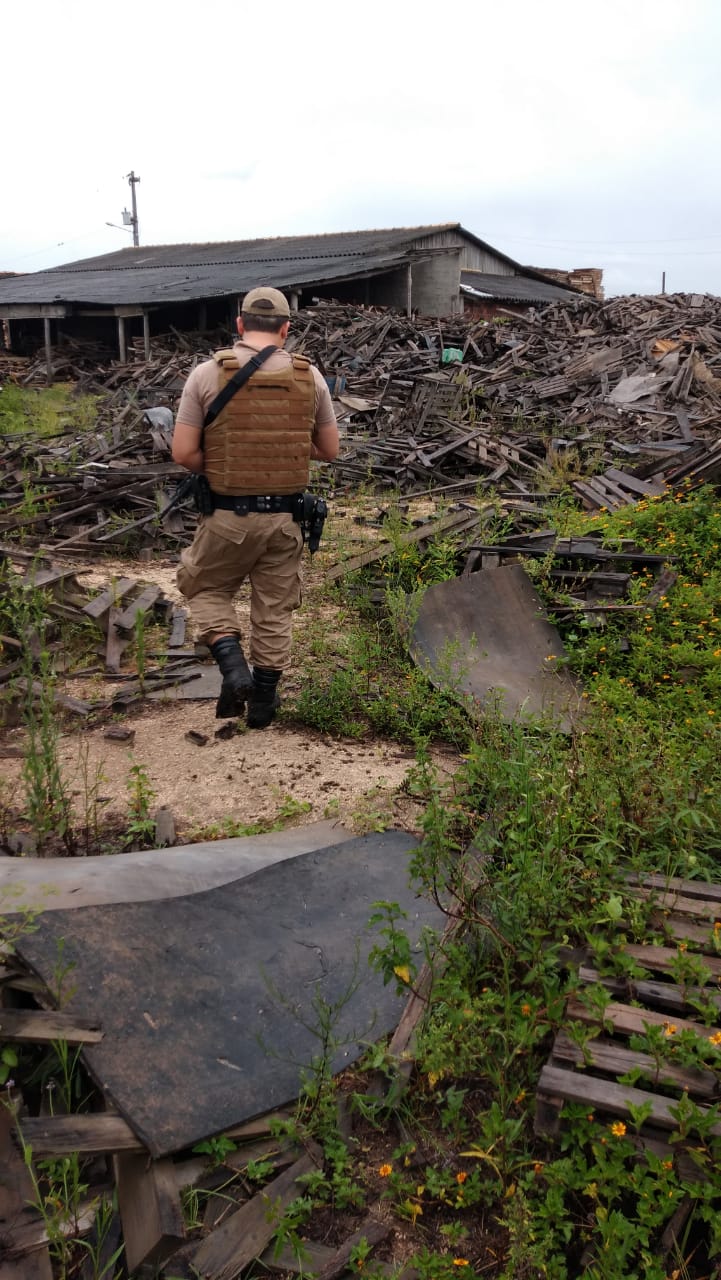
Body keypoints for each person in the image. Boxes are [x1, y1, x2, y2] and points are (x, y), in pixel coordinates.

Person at [171, 287, 339, 728]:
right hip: (285, 520)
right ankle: (263, 704)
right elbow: (329, 449)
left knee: (203, 587)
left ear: (240, 325)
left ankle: (233, 667)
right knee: (274, 610)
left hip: (226, 517)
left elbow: (185, 454)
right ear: (285, 329)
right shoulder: (311, 376)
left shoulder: (207, 374)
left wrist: (233, 457)